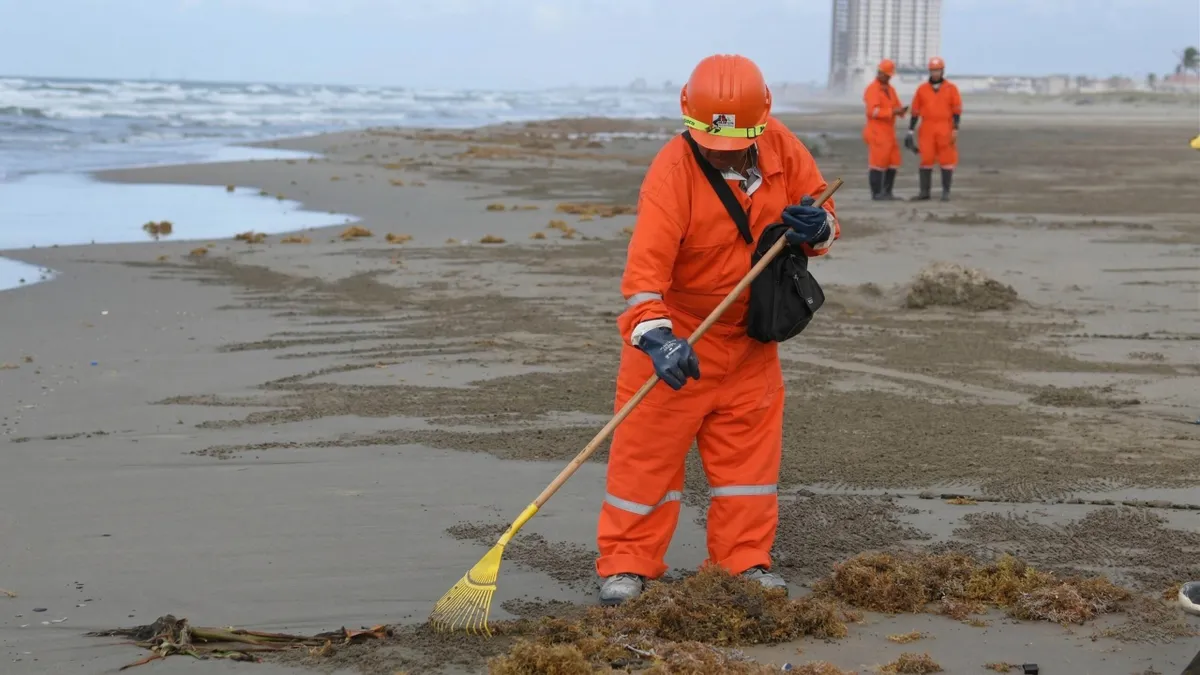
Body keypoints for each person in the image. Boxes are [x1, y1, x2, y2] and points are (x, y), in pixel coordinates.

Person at [595, 53, 840, 606]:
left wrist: (817, 227)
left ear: (762, 122)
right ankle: (627, 565)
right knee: (645, 463)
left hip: (750, 342)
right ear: (690, 119)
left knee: (747, 469)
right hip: (677, 339)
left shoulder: (782, 146)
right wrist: (656, 338)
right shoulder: (672, 173)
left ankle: (742, 562)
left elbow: (826, 219)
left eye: (735, 144)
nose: (720, 152)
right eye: (711, 142)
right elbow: (642, 281)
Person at [906, 56, 963, 201]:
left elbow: (956, 111)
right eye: (933, 70)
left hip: (945, 127)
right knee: (926, 159)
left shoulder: (951, 89)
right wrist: (910, 131)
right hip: (927, 127)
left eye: (938, 70)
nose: (935, 73)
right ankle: (924, 192)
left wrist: (955, 129)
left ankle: (946, 192)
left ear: (942, 71)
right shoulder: (922, 89)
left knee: (947, 160)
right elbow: (915, 112)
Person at [862, 59, 907, 200]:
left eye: (888, 75)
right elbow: (872, 111)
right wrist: (892, 112)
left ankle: (888, 192)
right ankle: (876, 193)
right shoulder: (872, 89)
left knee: (893, 162)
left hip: (889, 131)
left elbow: (896, 105)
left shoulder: (891, 90)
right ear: (879, 73)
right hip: (876, 131)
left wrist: (901, 111)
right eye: (884, 74)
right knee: (877, 163)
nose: (886, 77)